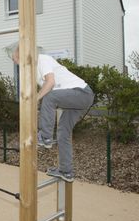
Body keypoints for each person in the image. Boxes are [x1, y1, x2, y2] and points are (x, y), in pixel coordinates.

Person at [9, 43, 94, 182]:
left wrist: (36, 98)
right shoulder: (33, 70)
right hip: (78, 100)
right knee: (63, 131)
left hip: (82, 93)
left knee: (49, 96)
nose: (15, 62)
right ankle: (66, 171)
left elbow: (50, 83)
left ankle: (45, 137)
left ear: (23, 56)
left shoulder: (43, 59)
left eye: (15, 59)